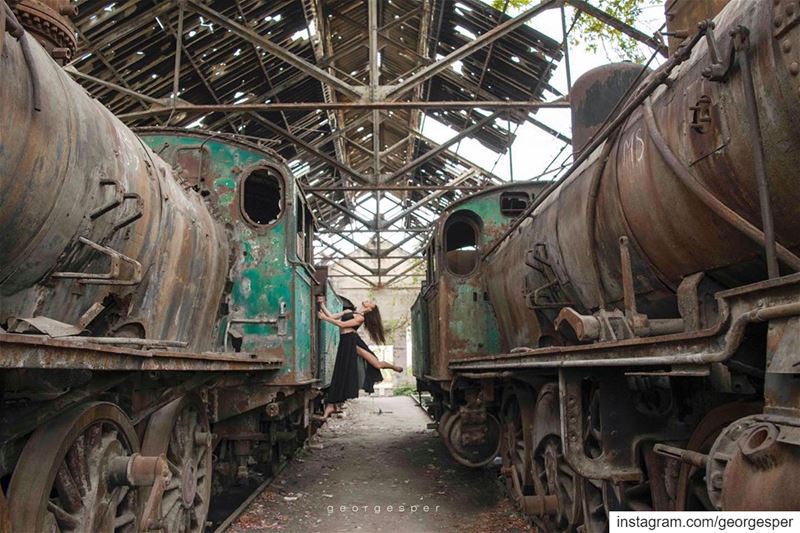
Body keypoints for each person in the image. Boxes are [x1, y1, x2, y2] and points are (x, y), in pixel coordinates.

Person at [316, 296, 402, 419]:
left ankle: (392, 366)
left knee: (376, 364)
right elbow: (332, 316)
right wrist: (322, 305)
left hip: (353, 342)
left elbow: (341, 324)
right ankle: (331, 405)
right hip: (345, 342)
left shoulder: (360, 318)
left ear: (370, 309)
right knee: (340, 372)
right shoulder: (349, 312)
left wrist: (324, 318)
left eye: (371, 303)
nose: (369, 301)